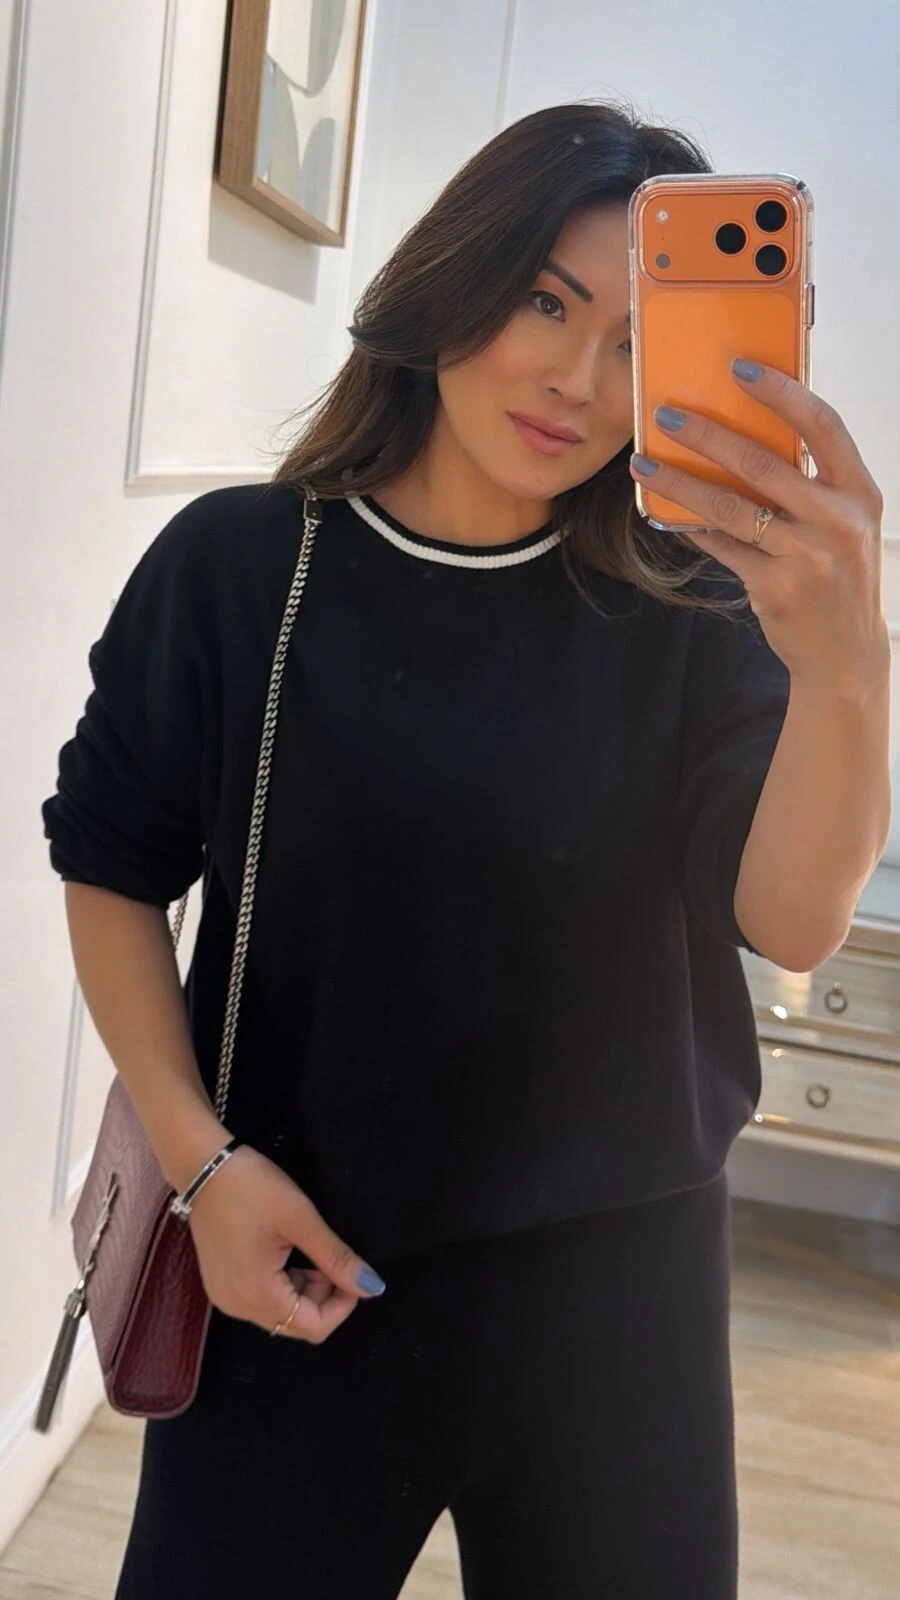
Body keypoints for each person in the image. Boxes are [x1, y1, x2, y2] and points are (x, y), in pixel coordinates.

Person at [42, 101, 793, 1599]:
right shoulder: (243, 568)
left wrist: (845, 655)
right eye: (547, 304)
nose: (580, 383)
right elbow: (111, 864)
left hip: (619, 1297)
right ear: (458, 278)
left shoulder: (699, 605)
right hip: (293, 1257)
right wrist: (200, 1168)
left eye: (638, 344)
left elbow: (793, 918)